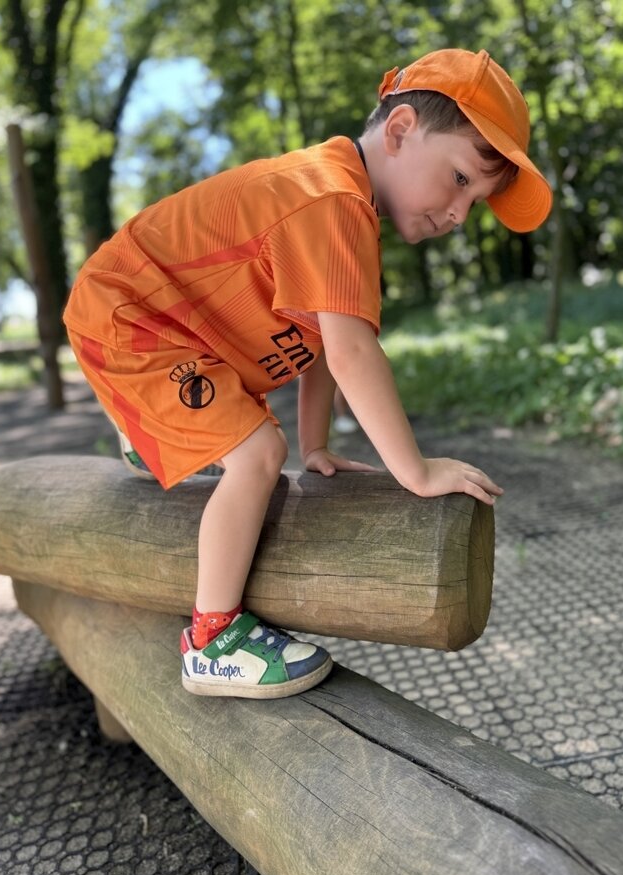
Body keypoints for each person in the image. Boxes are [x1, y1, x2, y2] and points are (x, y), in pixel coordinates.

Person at [63, 48, 552, 700]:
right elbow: (352, 354)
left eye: (476, 201)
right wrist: (415, 471)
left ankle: (149, 431)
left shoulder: (343, 205)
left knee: (263, 440)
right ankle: (211, 641)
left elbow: (321, 341)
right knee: (258, 454)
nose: (461, 213)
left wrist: (316, 445)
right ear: (400, 130)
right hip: (129, 315)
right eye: (460, 178)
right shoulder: (330, 197)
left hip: (160, 320)